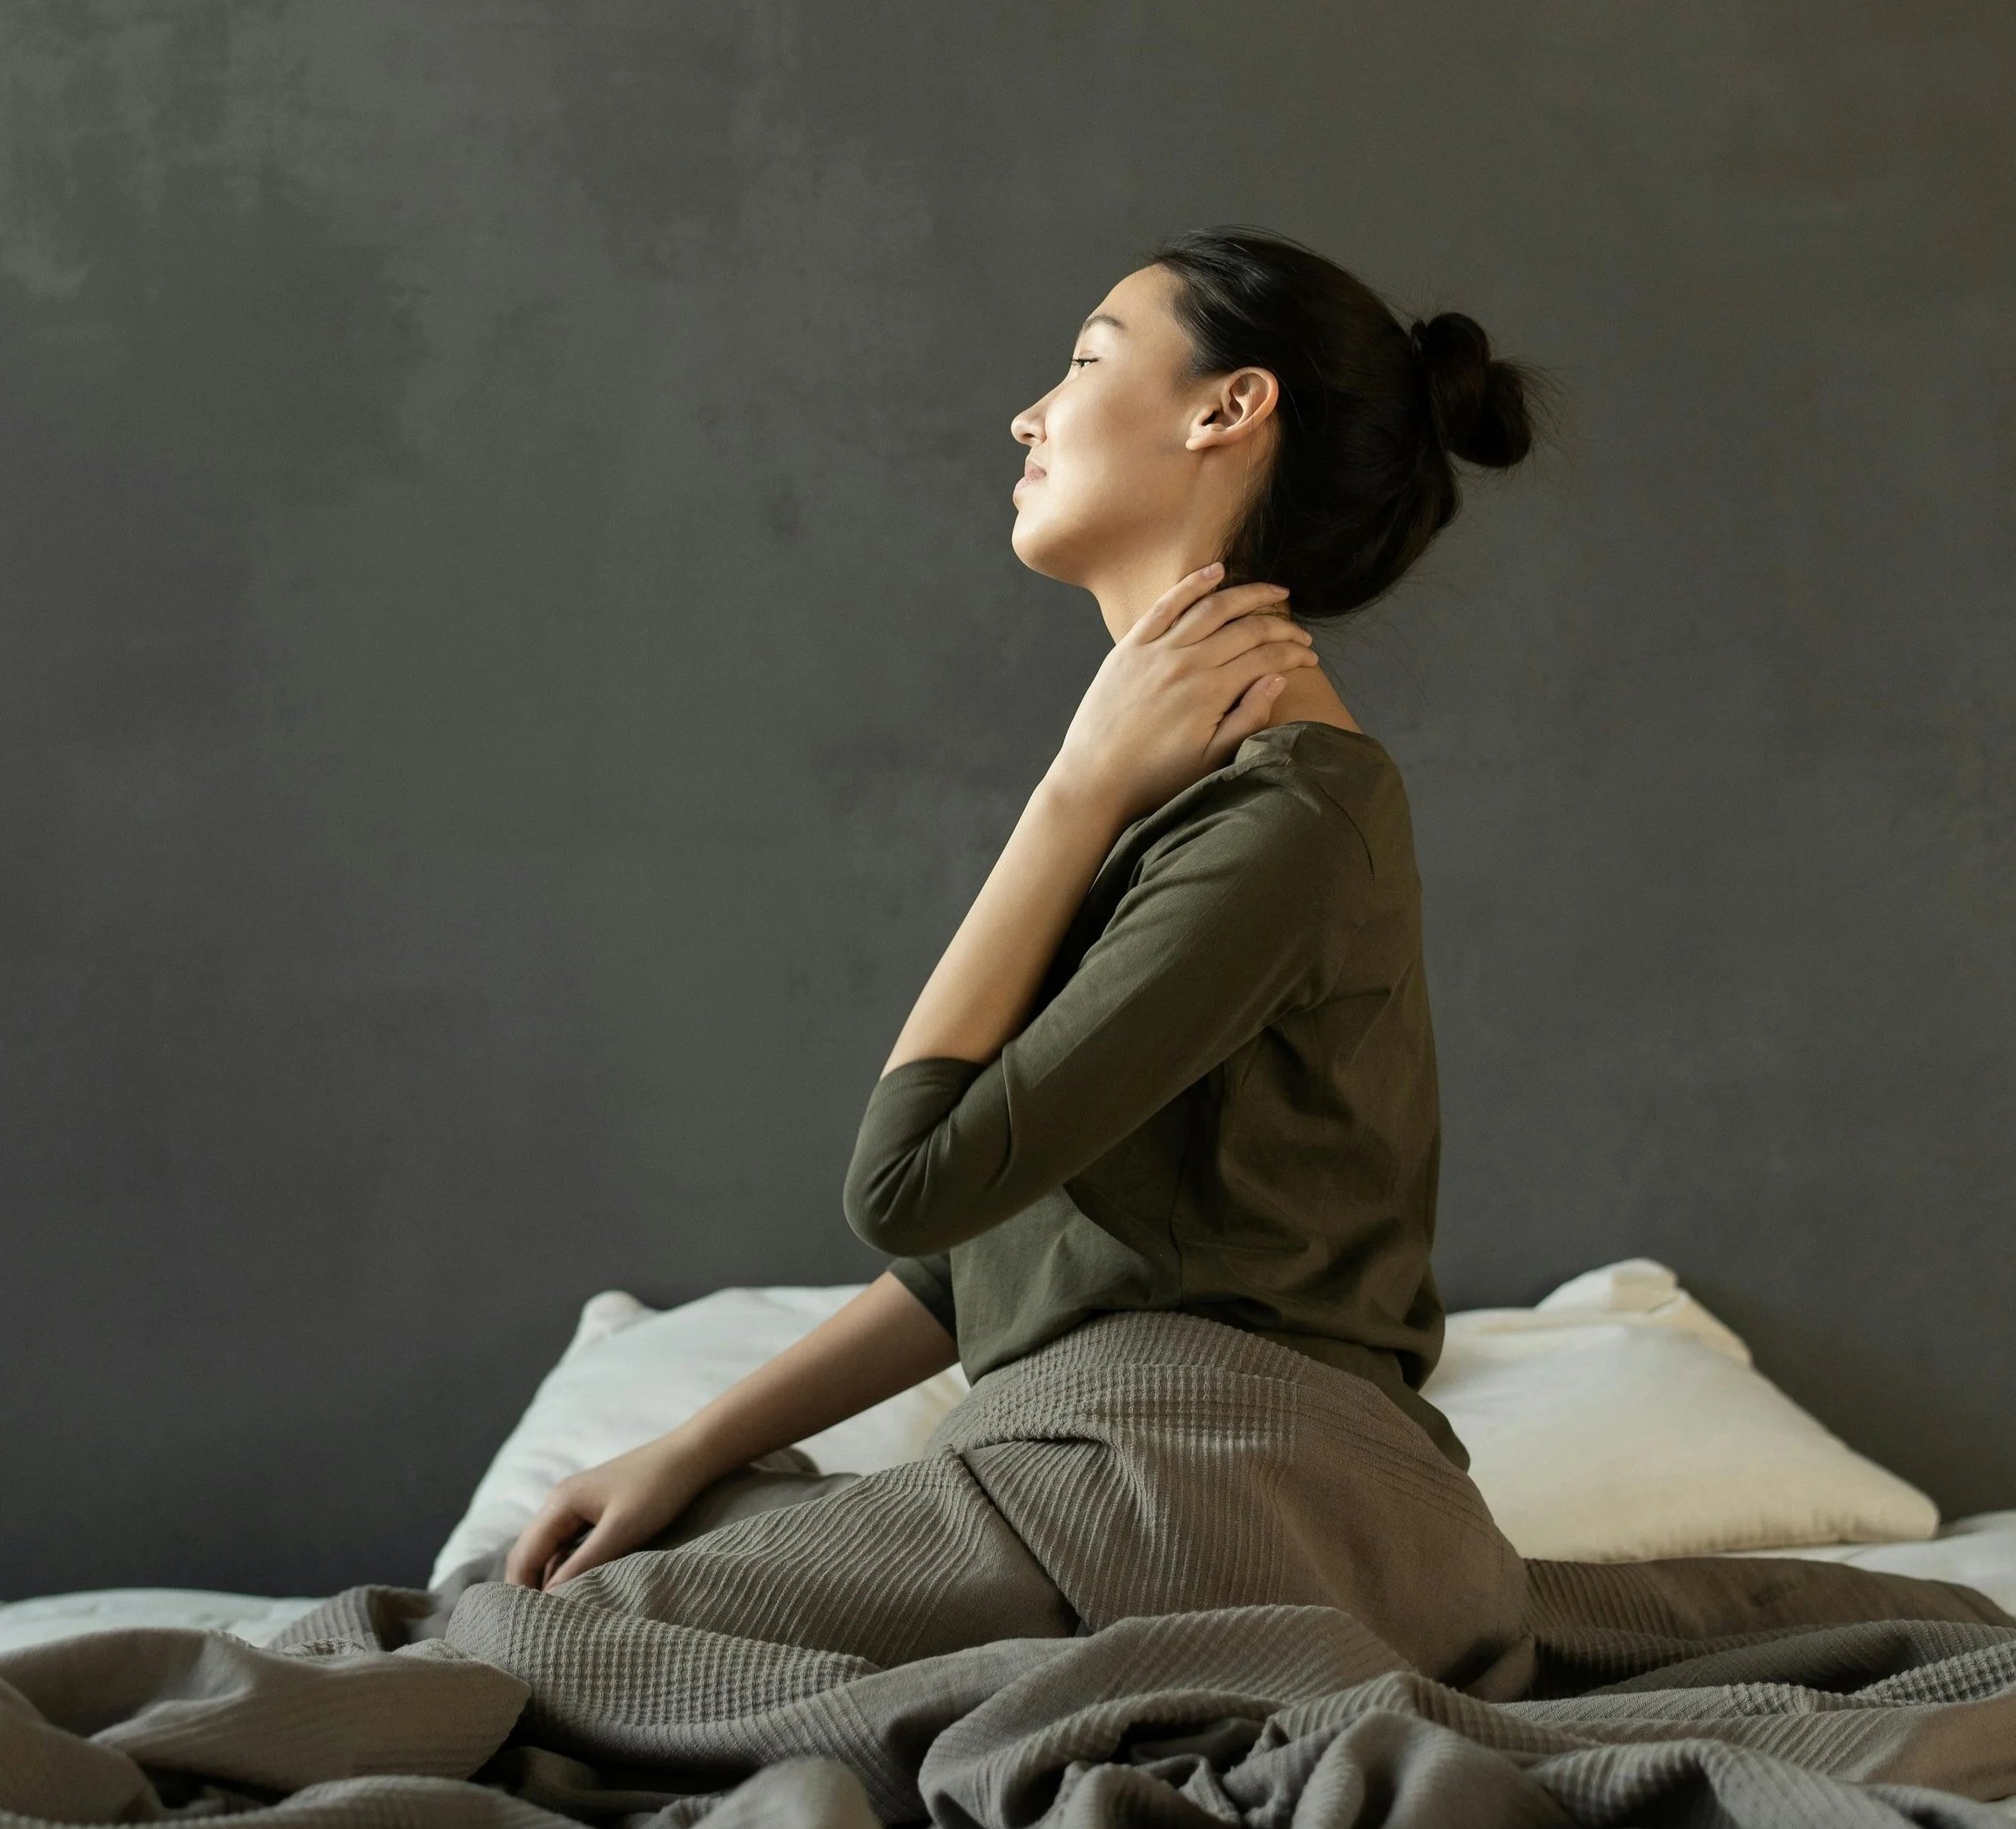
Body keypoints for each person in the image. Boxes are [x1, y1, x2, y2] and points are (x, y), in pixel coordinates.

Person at [501, 225, 1566, 1686]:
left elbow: (903, 1184)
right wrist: (684, 1448)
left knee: (516, 1655)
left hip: (1219, 1479)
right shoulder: (1208, 800)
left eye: (1083, 360)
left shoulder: (1291, 817)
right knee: (611, 1569)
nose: (1028, 414)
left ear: (1229, 408)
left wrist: (1071, 792)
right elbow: (982, 1251)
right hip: (1142, 1468)